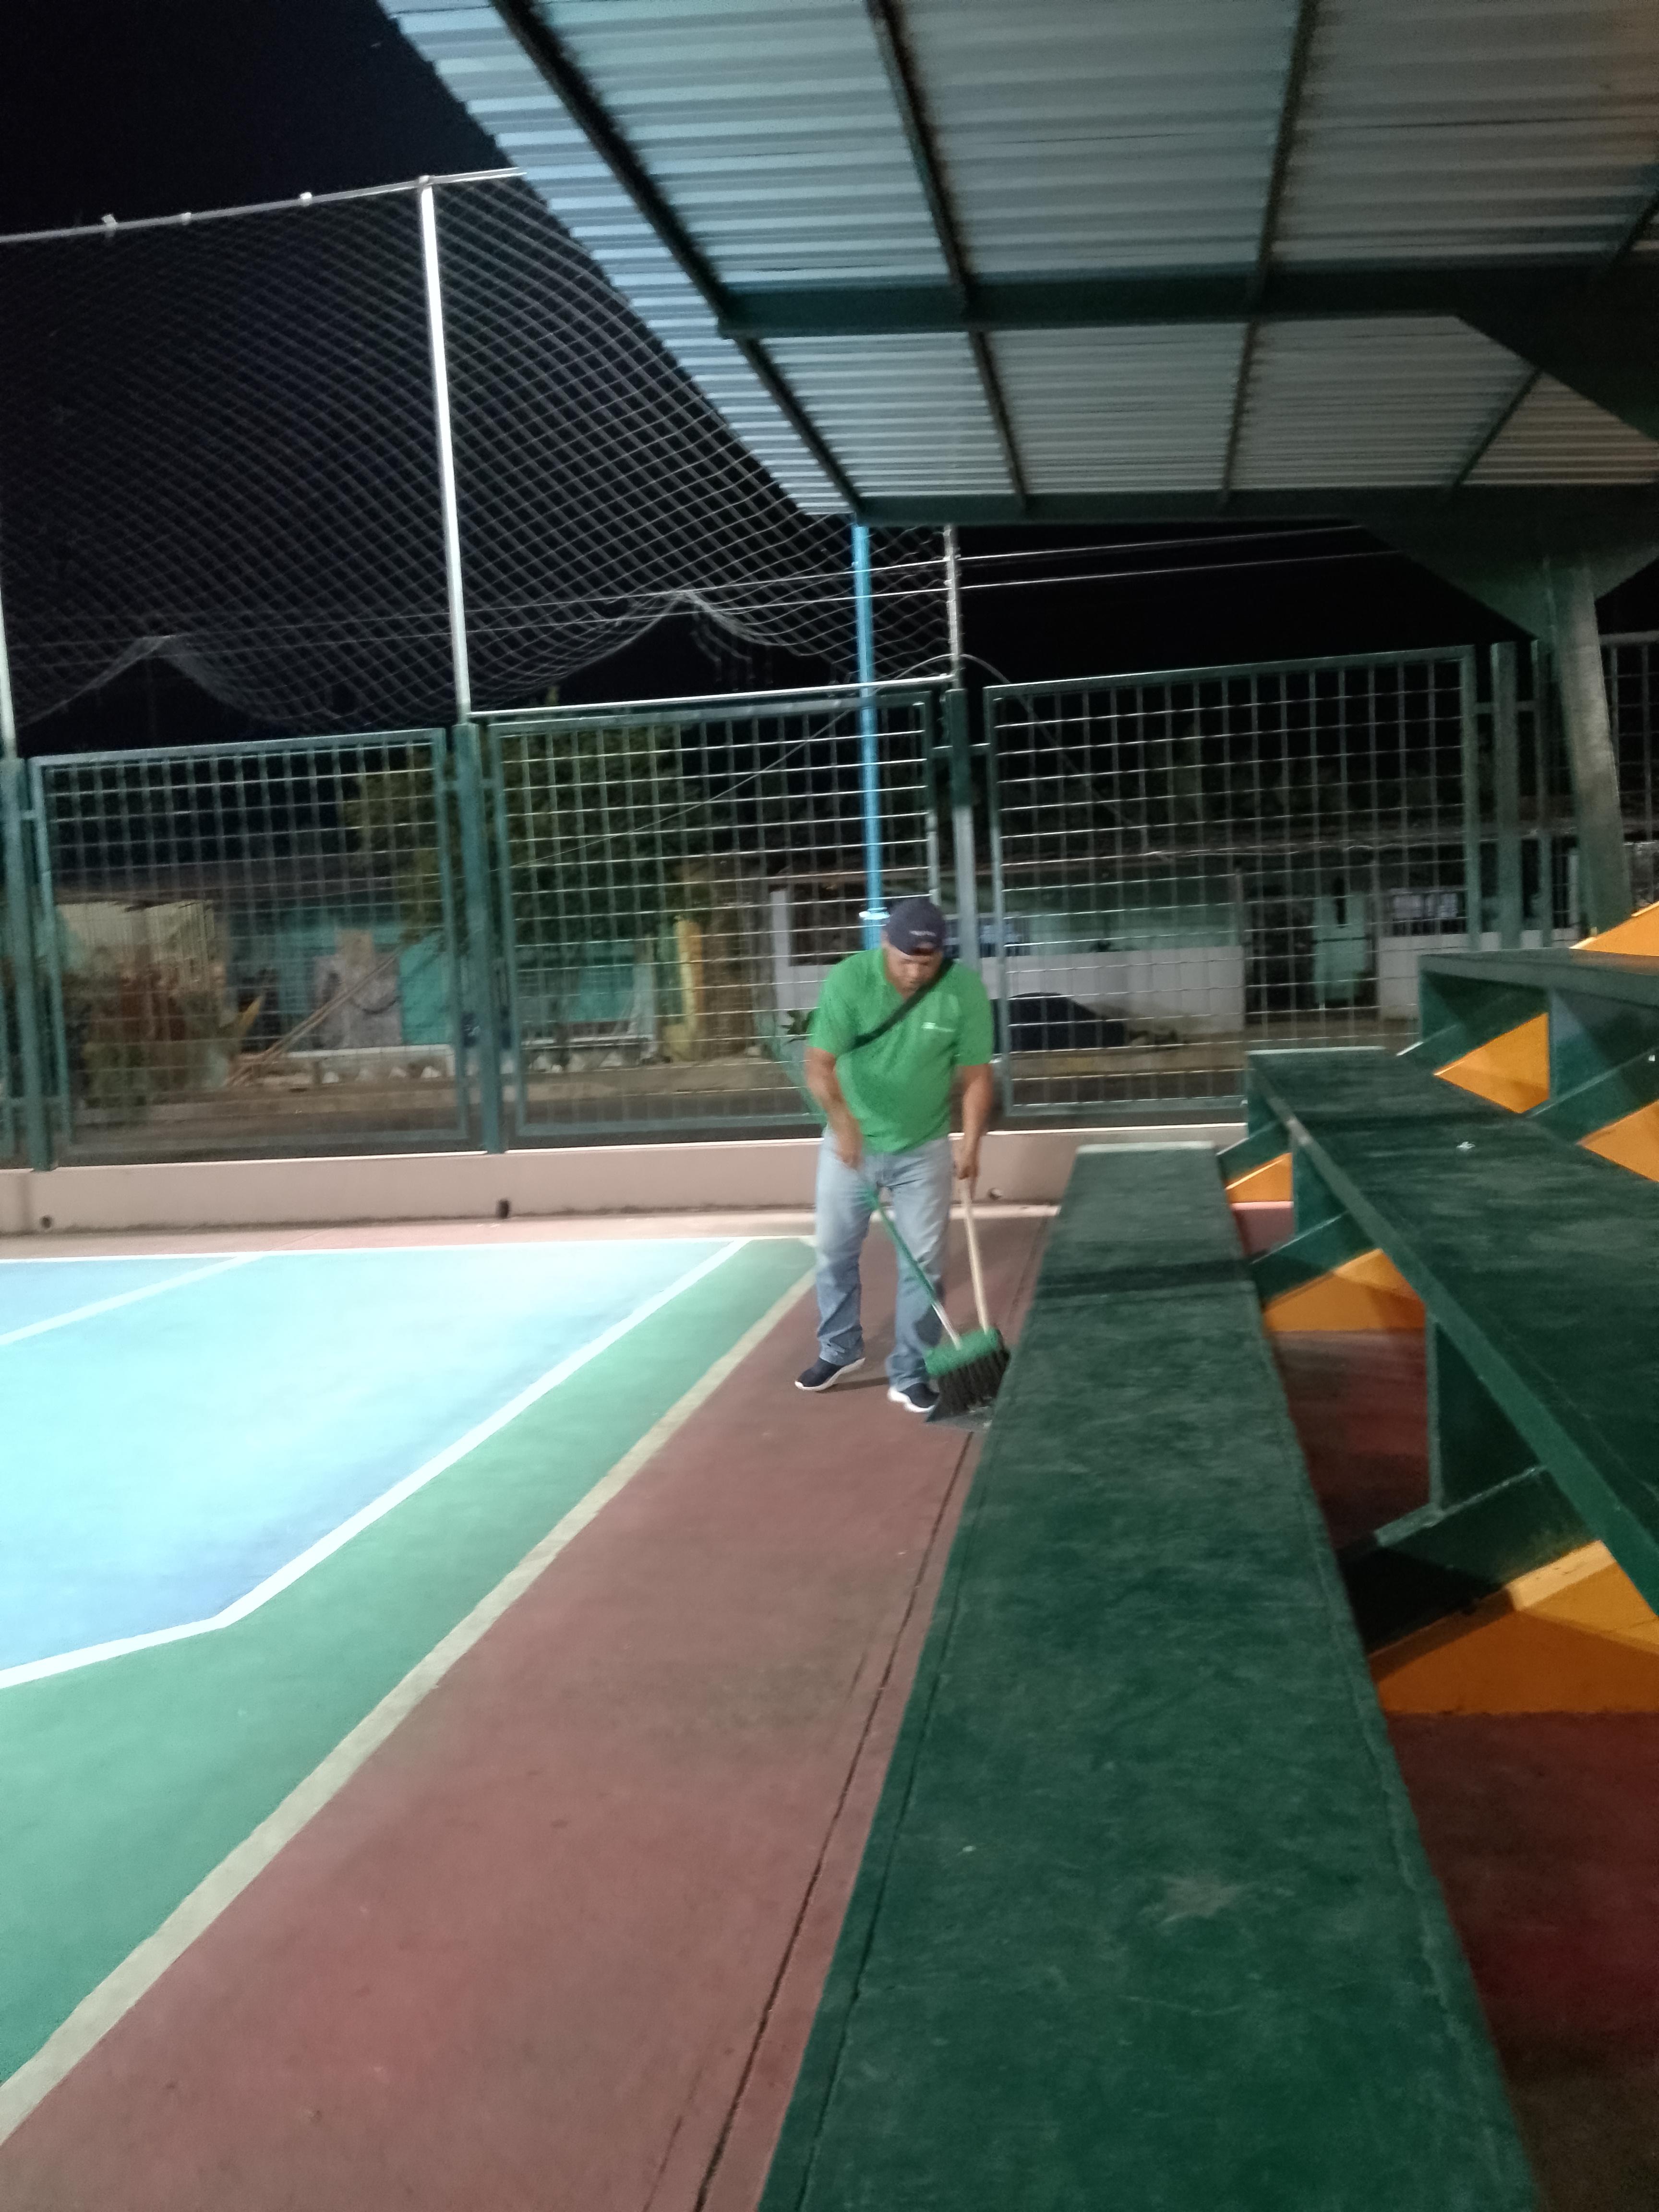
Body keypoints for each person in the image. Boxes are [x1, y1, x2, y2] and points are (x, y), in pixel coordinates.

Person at [796, 895, 995, 1415]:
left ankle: (910, 1371)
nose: (915, 973)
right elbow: (818, 1065)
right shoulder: (850, 980)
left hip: (923, 1146)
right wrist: (843, 1123)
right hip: (851, 1145)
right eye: (906, 960)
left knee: (924, 1264)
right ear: (886, 943)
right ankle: (839, 1349)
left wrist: (971, 1143)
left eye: (927, 963)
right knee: (834, 1251)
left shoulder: (963, 991)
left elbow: (977, 1076)